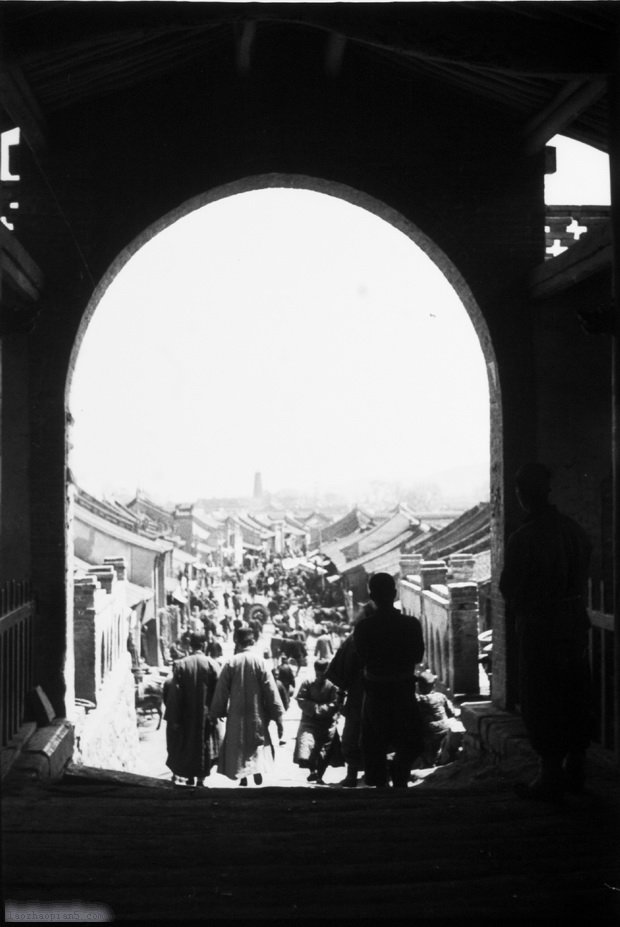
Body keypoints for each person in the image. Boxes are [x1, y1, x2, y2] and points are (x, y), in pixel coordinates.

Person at [500, 462, 593, 801]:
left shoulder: (524, 538)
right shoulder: (574, 530)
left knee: (542, 696)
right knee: (575, 692)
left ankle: (550, 772)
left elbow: (509, 588)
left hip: (540, 627)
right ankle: (577, 765)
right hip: (573, 622)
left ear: (522, 494)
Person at [353, 572, 425, 788]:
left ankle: (381, 788)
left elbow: (362, 658)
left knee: (374, 744)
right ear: (394, 593)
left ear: (371, 596)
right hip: (403, 690)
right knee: (411, 740)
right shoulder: (411, 624)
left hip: (376, 691)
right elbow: (418, 656)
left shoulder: (364, 627)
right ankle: (400, 775)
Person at [209, 627, 285, 786]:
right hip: (257, 712)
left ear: (237, 642)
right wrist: (277, 716)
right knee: (256, 743)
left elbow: (222, 689)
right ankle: (256, 770)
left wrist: (218, 710)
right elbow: (271, 690)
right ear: (253, 642)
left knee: (239, 745)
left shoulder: (231, 663)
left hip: (236, 714)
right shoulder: (261, 662)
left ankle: (243, 776)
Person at [163, 633, 221, 787]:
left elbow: (175, 694)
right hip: (206, 715)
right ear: (205, 645)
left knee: (188, 744)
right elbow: (219, 692)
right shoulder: (212, 664)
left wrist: (174, 718)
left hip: (186, 716)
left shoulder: (181, 664)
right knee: (205, 745)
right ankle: (201, 779)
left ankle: (190, 777)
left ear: (190, 646)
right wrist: (218, 713)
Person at [293, 659, 343, 784]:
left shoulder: (333, 686)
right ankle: (312, 772)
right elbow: (301, 698)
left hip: (328, 723)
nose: (320, 677)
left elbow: (337, 702)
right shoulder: (307, 683)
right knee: (308, 746)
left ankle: (320, 774)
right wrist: (314, 709)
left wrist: (323, 710)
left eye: (323, 674)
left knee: (325, 750)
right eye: (318, 674)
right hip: (309, 720)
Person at [415, 669, 463, 767]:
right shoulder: (441, 696)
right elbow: (452, 713)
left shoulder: (418, 700)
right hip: (444, 729)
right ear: (433, 686)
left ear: (419, 686)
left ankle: (428, 762)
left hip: (427, 732)